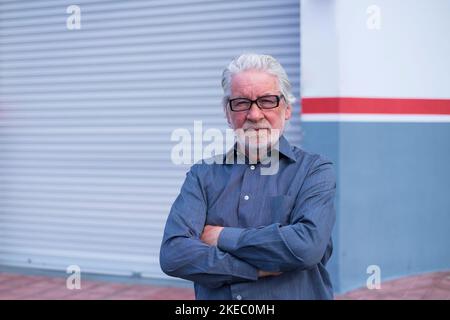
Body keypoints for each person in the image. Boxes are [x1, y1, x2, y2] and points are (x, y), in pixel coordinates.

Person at [160, 53, 336, 300]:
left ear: (286, 109)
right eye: (242, 102)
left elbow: (306, 247)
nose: (254, 115)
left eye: (267, 101)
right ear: (227, 112)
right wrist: (256, 269)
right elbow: (174, 254)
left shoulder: (314, 170)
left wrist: (221, 236)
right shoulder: (202, 175)